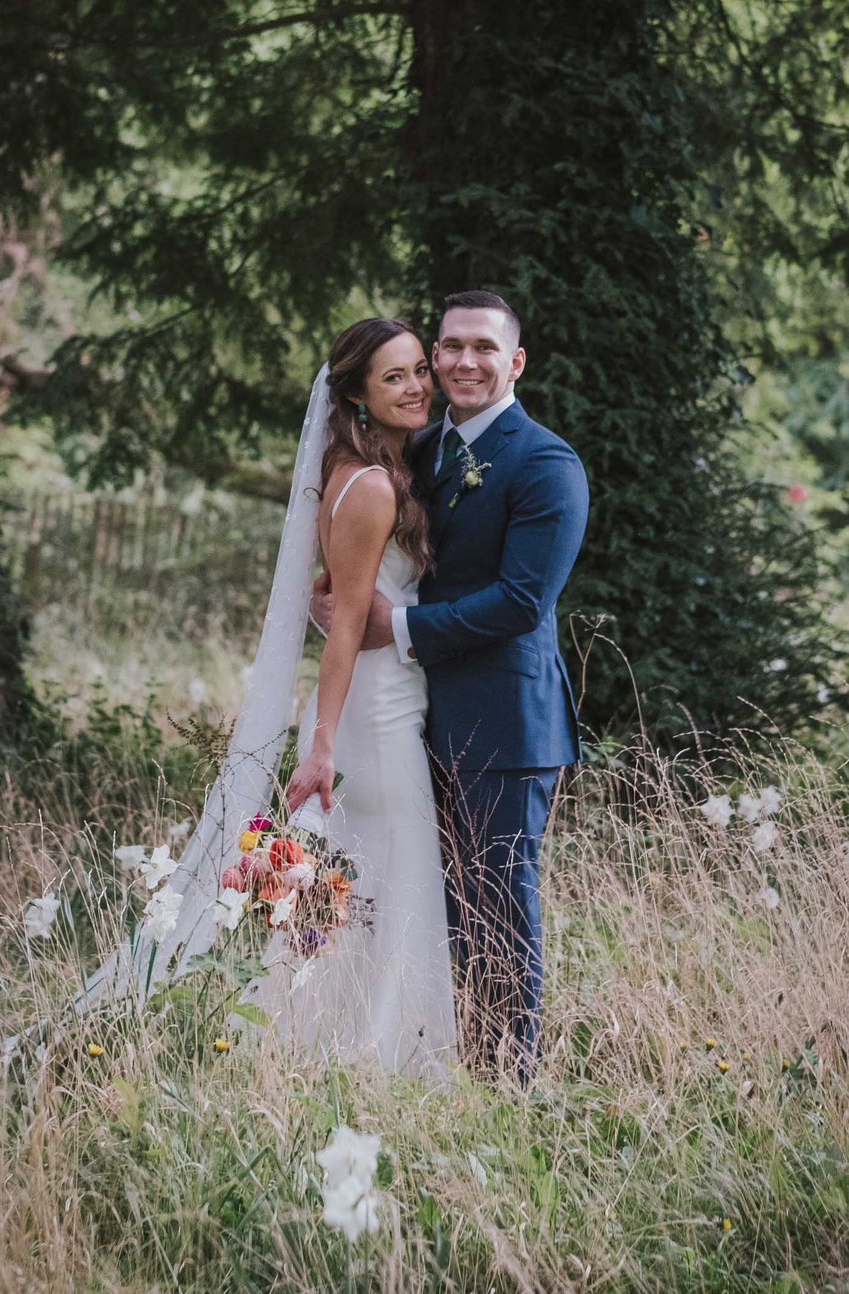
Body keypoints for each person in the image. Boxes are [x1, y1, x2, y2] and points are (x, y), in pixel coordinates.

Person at [311, 291, 589, 1083]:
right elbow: (355, 559)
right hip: (413, 718)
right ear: (433, 356)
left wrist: (392, 629)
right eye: (451, 347)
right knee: (434, 909)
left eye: (484, 348)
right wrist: (330, 602)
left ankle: (511, 1083)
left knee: (499, 903)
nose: (465, 362)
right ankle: (425, 1055)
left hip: (506, 723)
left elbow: (521, 601)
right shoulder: (416, 449)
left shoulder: (546, 463)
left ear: (516, 362)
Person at [239, 318, 459, 1080]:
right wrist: (322, 744)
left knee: (362, 877)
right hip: (375, 709)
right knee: (396, 869)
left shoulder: (357, 467)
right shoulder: (368, 486)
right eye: (393, 377)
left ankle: (327, 1035)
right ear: (358, 396)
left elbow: (332, 594)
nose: (416, 387)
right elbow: (342, 633)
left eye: (417, 372)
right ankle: (385, 1049)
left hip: (385, 695)